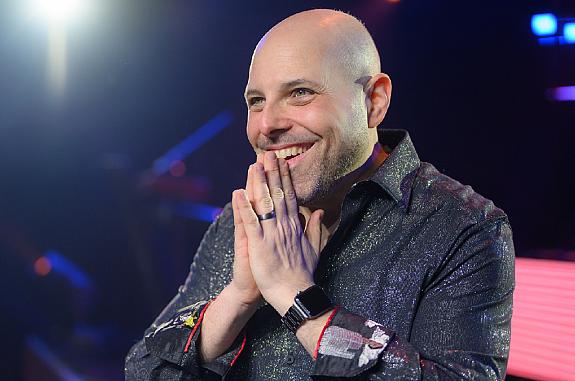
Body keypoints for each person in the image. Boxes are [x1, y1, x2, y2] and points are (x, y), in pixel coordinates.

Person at [125, 9, 514, 381]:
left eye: (300, 92)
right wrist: (239, 297)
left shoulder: (463, 228)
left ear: (374, 102)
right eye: (256, 100)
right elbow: (143, 369)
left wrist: (297, 298)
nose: (267, 124)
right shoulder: (239, 221)